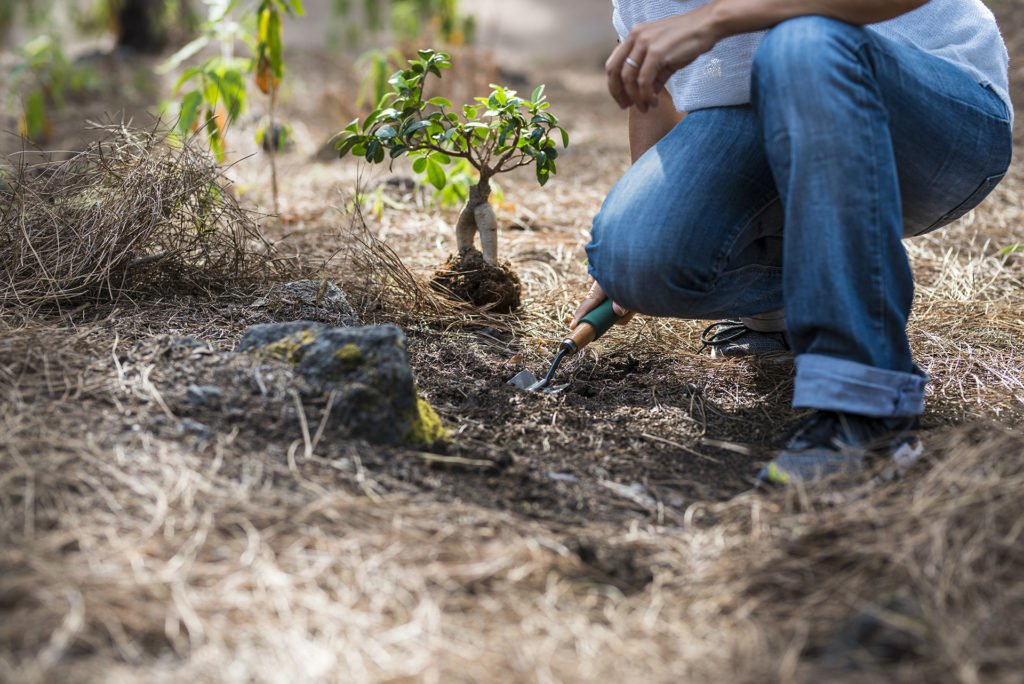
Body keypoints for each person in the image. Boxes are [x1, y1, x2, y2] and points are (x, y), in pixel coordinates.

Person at [571, 0, 1013, 484]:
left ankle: (866, 407)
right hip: (765, 121)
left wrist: (717, 17)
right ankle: (797, 296)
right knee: (636, 256)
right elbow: (650, 93)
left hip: (931, 112)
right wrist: (637, 243)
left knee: (803, 42)